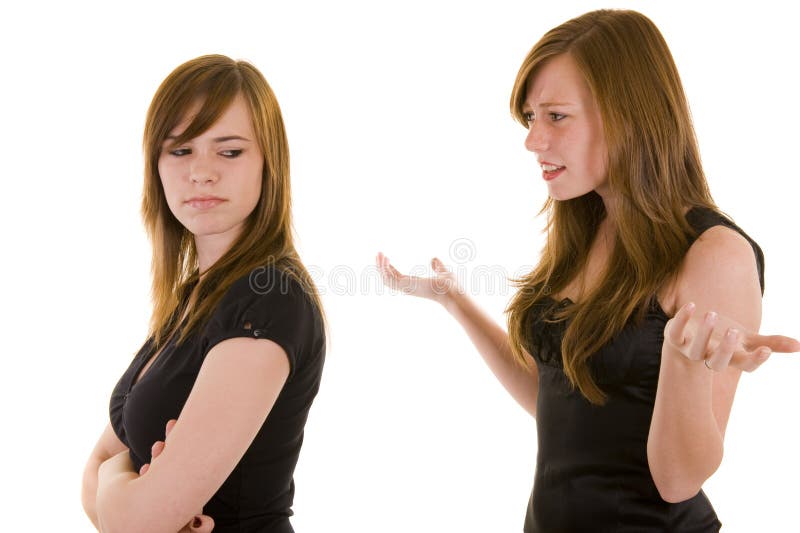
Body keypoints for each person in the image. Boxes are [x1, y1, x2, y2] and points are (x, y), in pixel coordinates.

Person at [376, 9, 799, 532]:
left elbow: (677, 481)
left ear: (629, 114)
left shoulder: (714, 255)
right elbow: (555, 398)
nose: (533, 141)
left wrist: (683, 364)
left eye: (556, 116)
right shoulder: (586, 229)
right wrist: (455, 301)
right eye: (531, 118)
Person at [80, 54, 326, 533]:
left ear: (268, 164)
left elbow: (132, 520)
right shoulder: (194, 297)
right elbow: (95, 468)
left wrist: (123, 485)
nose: (202, 172)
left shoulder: (270, 299)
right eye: (180, 151)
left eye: (229, 151)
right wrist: (127, 487)